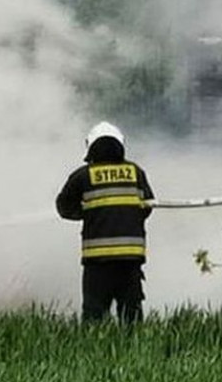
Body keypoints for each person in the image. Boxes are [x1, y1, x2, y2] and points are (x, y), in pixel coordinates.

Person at [56, 121, 154, 324]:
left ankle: (95, 352)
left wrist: (90, 214)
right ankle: (135, 351)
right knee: (131, 314)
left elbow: (63, 207)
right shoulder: (135, 172)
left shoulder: (83, 176)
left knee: (95, 314)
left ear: (91, 147)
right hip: (130, 259)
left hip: (97, 261)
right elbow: (147, 206)